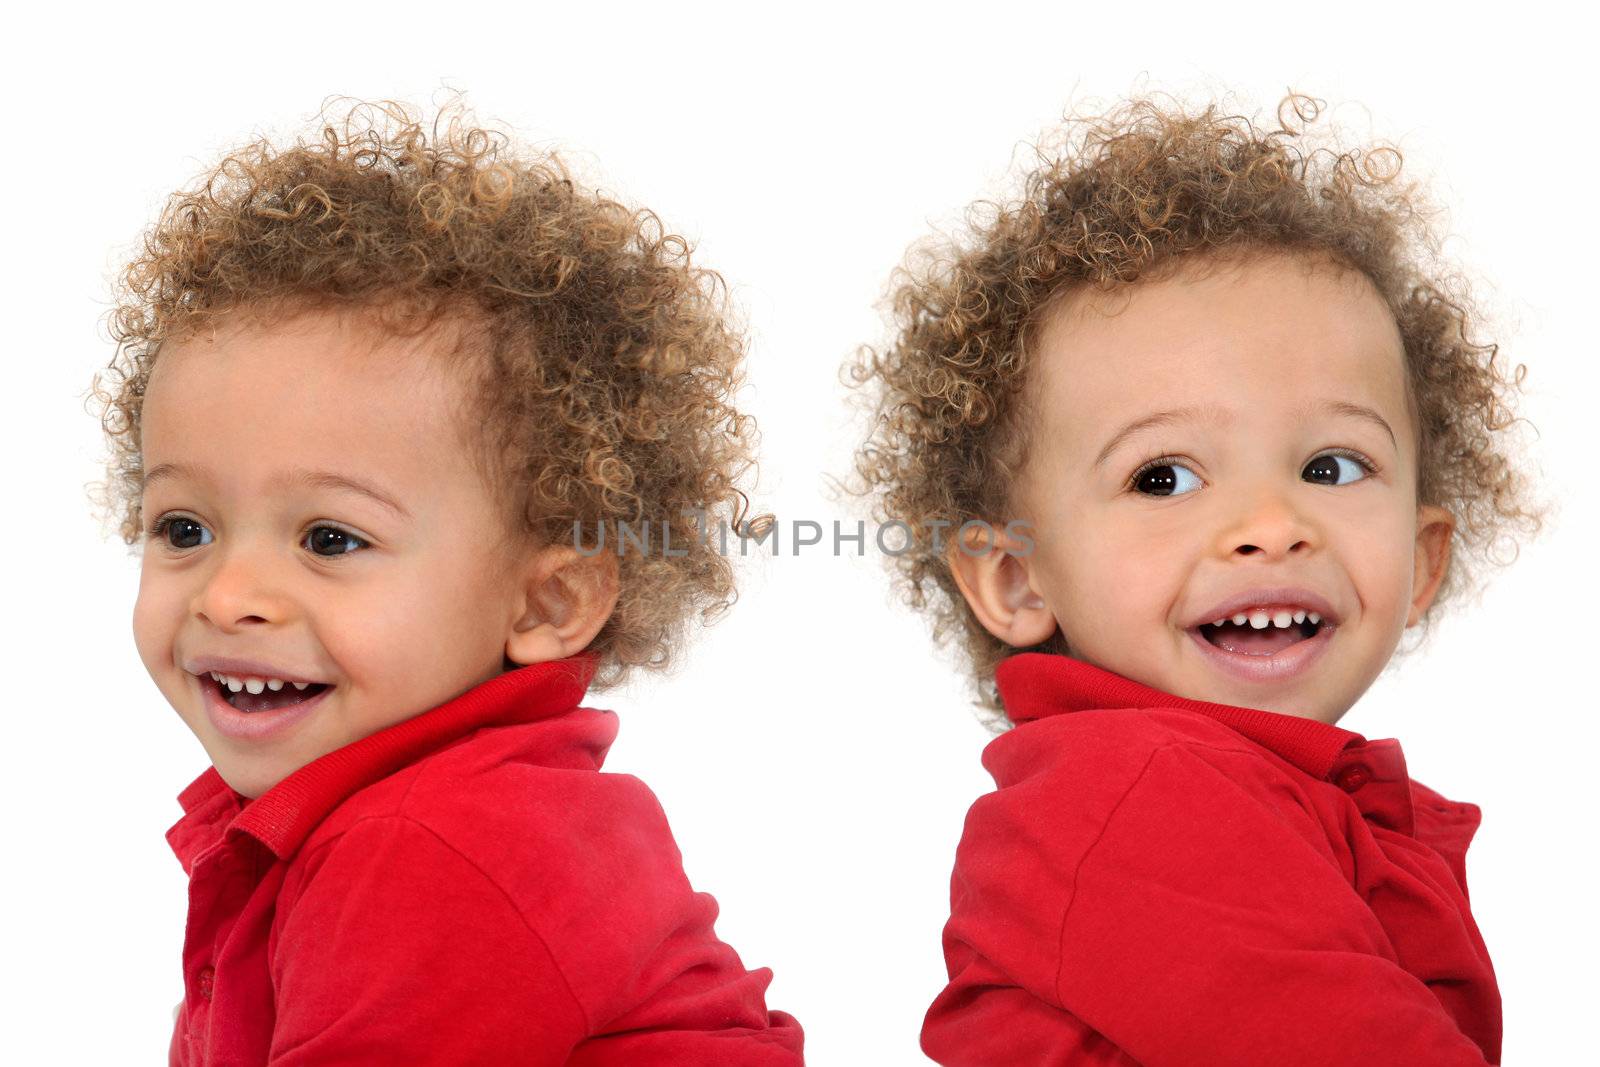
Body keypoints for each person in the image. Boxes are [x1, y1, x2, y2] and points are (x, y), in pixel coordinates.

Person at [89, 96, 803, 1066]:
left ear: (546, 600)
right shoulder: (411, 813)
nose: (226, 593)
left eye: (331, 538)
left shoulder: (427, 849)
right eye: (185, 527)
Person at [845, 89, 1549, 1065]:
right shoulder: (1134, 801)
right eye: (1162, 477)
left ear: (1422, 558)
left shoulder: (1280, 798)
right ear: (1014, 577)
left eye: (1331, 466)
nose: (1270, 525)